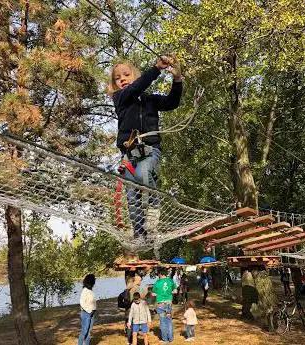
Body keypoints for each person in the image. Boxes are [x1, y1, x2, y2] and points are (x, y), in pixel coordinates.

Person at [109, 56, 183, 238]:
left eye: (126, 75)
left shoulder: (150, 100)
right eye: (118, 78)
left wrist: (177, 80)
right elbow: (136, 88)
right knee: (132, 195)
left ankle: (153, 208)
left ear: (136, 75)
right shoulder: (120, 98)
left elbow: (172, 102)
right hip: (130, 155)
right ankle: (140, 234)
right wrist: (156, 69)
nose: (122, 79)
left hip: (150, 150)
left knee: (143, 173)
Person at [152, 267, 177, 343]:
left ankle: (165, 339)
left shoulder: (157, 282)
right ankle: (171, 339)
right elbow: (175, 291)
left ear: (159, 274)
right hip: (168, 303)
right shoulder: (170, 281)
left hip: (160, 304)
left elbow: (153, 294)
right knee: (169, 321)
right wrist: (169, 293)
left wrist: (158, 294)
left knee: (162, 321)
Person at [78, 274, 97, 345]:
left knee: (89, 332)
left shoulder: (90, 290)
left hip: (92, 314)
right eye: (94, 280)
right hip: (86, 313)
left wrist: (93, 310)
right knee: (84, 331)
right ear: (90, 281)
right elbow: (81, 302)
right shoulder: (85, 290)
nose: (95, 282)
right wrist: (89, 311)